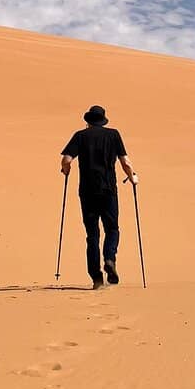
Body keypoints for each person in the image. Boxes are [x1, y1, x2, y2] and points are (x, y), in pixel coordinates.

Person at [61, 105, 138, 289]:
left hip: (87, 192)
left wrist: (66, 171)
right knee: (112, 229)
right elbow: (125, 162)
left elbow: (66, 160)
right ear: (103, 121)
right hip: (108, 190)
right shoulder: (113, 135)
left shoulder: (80, 136)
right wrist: (132, 177)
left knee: (92, 234)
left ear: (88, 121)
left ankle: (96, 276)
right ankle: (110, 258)